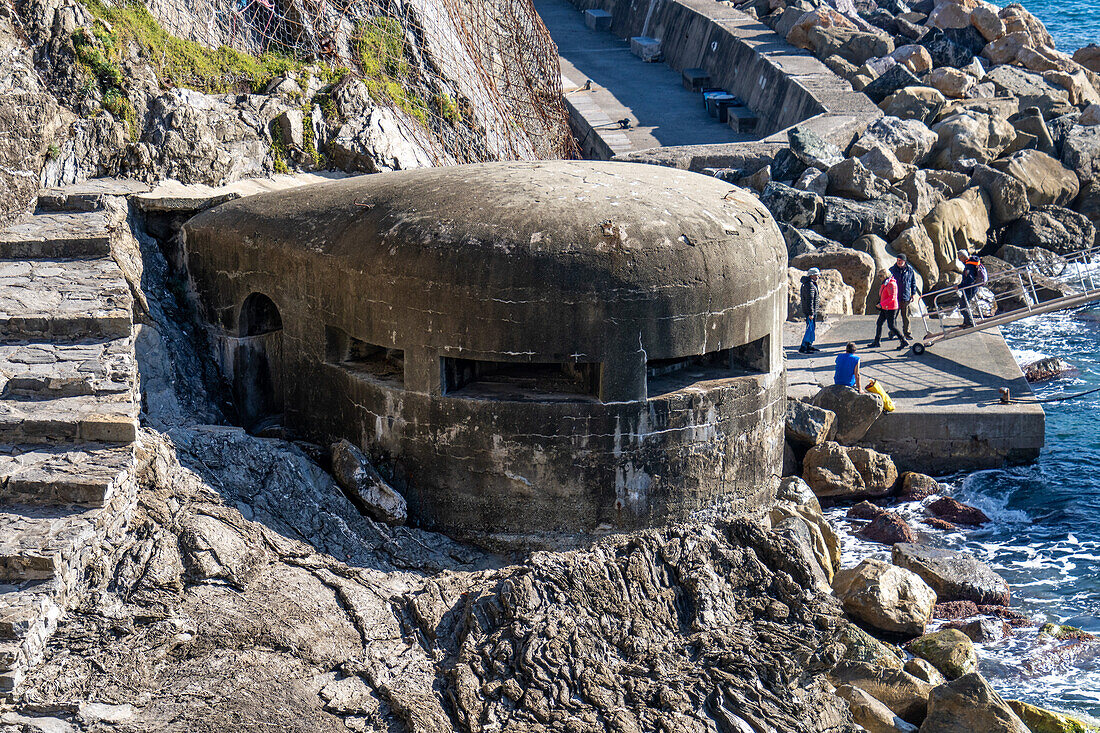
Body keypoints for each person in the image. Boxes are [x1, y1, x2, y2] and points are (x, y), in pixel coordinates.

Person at [870, 273, 909, 350]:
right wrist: (881, 304)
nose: (880, 278)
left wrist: (881, 304)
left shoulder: (891, 284)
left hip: (891, 308)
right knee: (879, 323)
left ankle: (903, 341)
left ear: (885, 275)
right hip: (885, 307)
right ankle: (877, 341)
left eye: (881, 276)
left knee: (891, 326)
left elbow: (892, 297)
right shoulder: (886, 283)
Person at [889, 253, 918, 341]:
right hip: (895, 297)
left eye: (900, 260)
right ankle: (893, 332)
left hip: (906, 297)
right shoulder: (892, 270)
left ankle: (907, 333)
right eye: (898, 260)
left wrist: (913, 294)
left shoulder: (910, 270)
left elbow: (913, 283)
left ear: (904, 261)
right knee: (893, 316)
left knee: (906, 317)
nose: (899, 262)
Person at [957, 249, 987, 328]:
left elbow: (969, 279)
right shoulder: (972, 263)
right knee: (965, 303)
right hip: (973, 287)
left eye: (960, 257)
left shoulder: (969, 266)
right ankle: (966, 322)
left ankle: (970, 323)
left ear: (963, 257)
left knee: (963, 304)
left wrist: (959, 286)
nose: (959, 260)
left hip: (970, 288)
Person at [799, 268, 820, 354]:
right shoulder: (810, 285)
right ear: (811, 275)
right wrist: (811, 313)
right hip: (810, 312)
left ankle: (809, 345)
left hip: (810, 311)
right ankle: (803, 347)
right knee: (809, 329)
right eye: (816, 275)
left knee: (811, 328)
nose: (818, 276)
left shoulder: (808, 284)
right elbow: (810, 300)